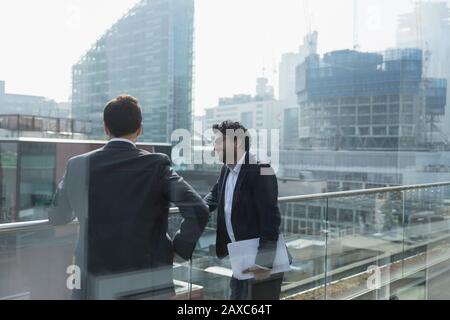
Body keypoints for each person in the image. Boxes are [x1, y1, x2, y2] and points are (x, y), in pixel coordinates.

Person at [48, 95, 209, 299]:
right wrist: (177, 249)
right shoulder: (156, 165)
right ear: (139, 129)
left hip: (94, 280)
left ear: (105, 128)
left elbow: (57, 216)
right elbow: (198, 210)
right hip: (147, 281)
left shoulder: (78, 164)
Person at [204, 120, 284, 300]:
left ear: (237, 142)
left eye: (218, 141)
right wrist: (196, 209)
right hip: (240, 259)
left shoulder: (262, 169)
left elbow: (270, 219)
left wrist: (263, 262)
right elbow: (215, 194)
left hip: (260, 263)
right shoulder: (226, 169)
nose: (214, 147)